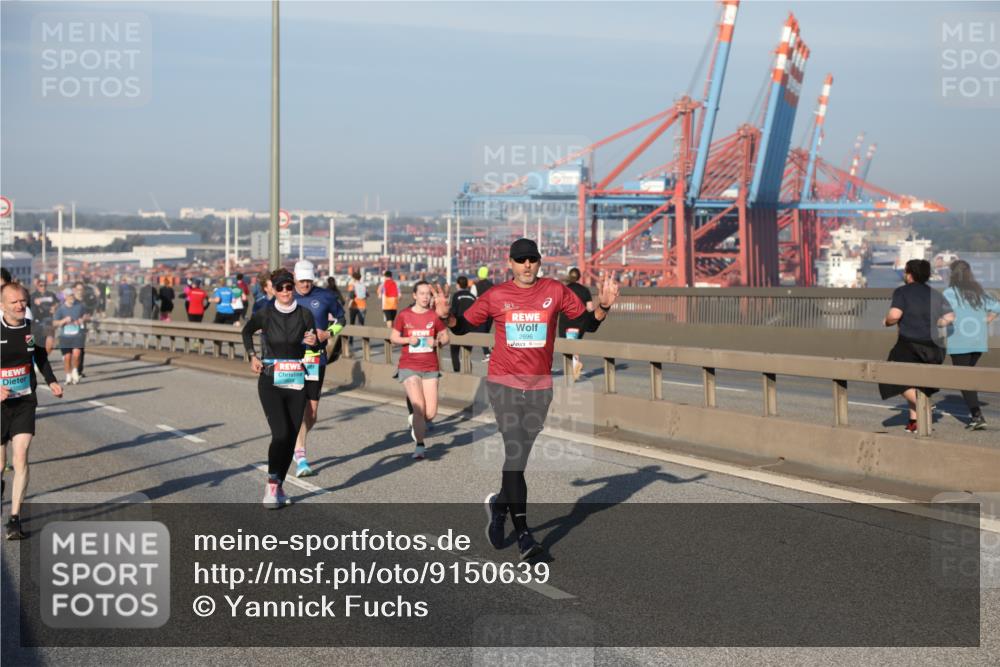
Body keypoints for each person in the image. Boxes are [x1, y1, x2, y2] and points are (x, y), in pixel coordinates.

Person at [433, 238, 619, 560]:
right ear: (510, 263)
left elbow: (585, 324)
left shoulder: (556, 291)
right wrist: (447, 317)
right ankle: (524, 537)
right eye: (521, 260)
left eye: (532, 259)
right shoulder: (496, 296)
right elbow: (462, 328)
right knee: (515, 454)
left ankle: (499, 505)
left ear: (539, 261)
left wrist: (603, 306)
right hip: (504, 383)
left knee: (517, 461)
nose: (527, 265)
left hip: (539, 387)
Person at [242, 269, 321, 508]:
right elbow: (246, 331)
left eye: (289, 287)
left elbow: (312, 352)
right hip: (271, 381)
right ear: (272, 290)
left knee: (290, 438)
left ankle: (279, 483)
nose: (285, 292)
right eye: (280, 288)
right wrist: (252, 356)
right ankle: (271, 486)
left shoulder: (305, 314)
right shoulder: (265, 313)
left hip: (297, 381)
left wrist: (314, 343)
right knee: (281, 434)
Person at [1, 282, 64, 539]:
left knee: (21, 455)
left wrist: (51, 381)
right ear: (3, 305)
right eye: (14, 302)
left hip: (25, 401)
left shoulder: (31, 329)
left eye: (22, 301)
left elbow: (40, 358)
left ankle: (14, 519)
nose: (19, 306)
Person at [878, 259, 955, 433]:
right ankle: (915, 421)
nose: (905, 275)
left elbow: (895, 315)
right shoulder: (934, 293)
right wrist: (938, 322)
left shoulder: (902, 292)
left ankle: (925, 404)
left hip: (909, 345)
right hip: (934, 347)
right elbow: (951, 316)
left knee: (891, 376)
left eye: (906, 272)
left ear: (910, 274)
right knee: (918, 383)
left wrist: (887, 321)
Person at [290, 260, 346, 477]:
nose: (305, 284)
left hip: (315, 359)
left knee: (311, 413)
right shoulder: (287, 296)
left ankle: (296, 441)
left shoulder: (325, 296)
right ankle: (301, 455)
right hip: (292, 360)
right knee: (295, 406)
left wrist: (328, 333)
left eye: (308, 280)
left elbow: (342, 319)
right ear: (294, 278)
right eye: (301, 280)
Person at [390, 281, 449, 459]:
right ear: (414, 295)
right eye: (421, 293)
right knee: (419, 407)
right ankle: (420, 445)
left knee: (430, 413)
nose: (425, 297)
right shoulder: (404, 315)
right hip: (409, 366)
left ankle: (416, 421)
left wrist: (437, 342)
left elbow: (446, 337)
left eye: (427, 294)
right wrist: (408, 340)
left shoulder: (434, 316)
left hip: (430, 367)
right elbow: (393, 337)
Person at [942, 260, 1000, 430]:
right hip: (978, 342)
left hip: (959, 342)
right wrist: (987, 320)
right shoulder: (979, 291)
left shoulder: (949, 293)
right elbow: (998, 307)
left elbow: (942, 314)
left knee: (963, 379)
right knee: (967, 378)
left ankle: (977, 416)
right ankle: (975, 413)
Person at [558, 268, 595, 381]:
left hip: (566, 321)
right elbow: (590, 308)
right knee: (575, 344)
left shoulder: (564, 290)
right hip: (580, 322)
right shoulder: (585, 290)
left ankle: (573, 369)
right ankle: (575, 367)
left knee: (567, 345)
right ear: (579, 277)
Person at [53, 283, 89, 385]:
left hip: (77, 335)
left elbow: (87, 315)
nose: (71, 298)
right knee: (67, 357)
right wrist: (63, 321)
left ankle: (75, 371)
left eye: (72, 295)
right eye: (69, 296)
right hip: (65, 336)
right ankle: (68, 375)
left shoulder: (80, 306)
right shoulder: (60, 309)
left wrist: (82, 319)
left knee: (77, 354)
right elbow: (54, 323)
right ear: (65, 297)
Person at [448, 276, 476, 372]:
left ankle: (456, 371)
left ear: (457, 285)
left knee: (454, 352)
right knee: (467, 353)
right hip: (470, 327)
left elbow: (453, 311)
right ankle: (468, 371)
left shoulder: (456, 296)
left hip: (458, 327)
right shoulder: (473, 297)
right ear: (467, 285)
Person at [470, 265, 494, 360]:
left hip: (481, 312)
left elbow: (472, 300)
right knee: (486, 331)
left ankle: (488, 353)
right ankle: (489, 350)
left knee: (481, 332)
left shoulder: (475, 286)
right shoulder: (492, 286)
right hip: (491, 312)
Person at [30, 278, 58, 355]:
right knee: (38, 342)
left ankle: (43, 358)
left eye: (45, 285)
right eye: (41, 285)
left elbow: (57, 303)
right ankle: (37, 359)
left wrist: (55, 307)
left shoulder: (51, 294)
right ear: (37, 286)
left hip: (48, 319)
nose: (43, 287)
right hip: (37, 320)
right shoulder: (33, 296)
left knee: (50, 342)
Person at [347, 271, 368, 348]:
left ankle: (351, 341)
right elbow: (367, 295)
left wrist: (349, 303)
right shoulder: (363, 285)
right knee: (362, 324)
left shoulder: (352, 285)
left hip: (354, 306)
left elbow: (351, 295)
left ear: (353, 278)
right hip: (363, 305)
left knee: (352, 323)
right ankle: (364, 341)